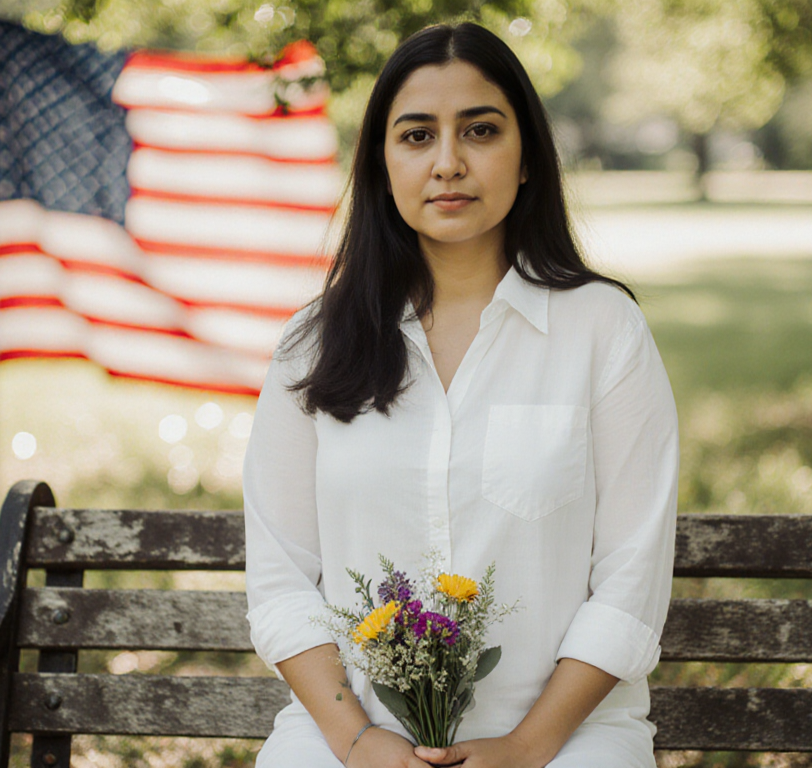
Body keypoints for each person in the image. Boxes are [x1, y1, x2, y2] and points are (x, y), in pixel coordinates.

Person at [241, 21, 678, 768]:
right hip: (351, 739)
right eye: (416, 136)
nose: (449, 163)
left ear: (529, 156)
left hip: (567, 741)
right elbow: (282, 581)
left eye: (479, 130)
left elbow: (631, 580)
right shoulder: (312, 344)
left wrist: (523, 748)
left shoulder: (604, 329)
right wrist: (357, 739)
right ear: (381, 165)